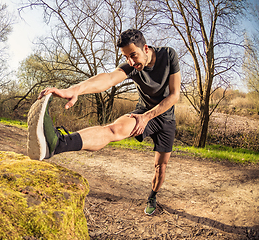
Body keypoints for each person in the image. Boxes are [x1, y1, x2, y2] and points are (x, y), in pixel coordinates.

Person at [27, 29, 181, 215]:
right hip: (142, 111)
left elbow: (174, 96)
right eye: (126, 57)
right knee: (113, 130)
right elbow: (108, 79)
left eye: (133, 55)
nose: (131, 62)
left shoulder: (168, 55)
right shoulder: (131, 66)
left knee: (160, 166)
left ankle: (152, 196)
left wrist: (147, 117)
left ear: (146, 48)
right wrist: (74, 89)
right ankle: (56, 144)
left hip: (165, 118)